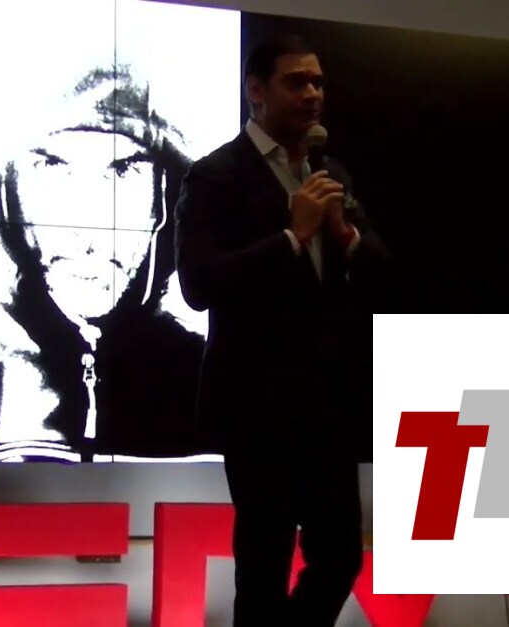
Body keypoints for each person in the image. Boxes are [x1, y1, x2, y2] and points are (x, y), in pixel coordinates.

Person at [174, 34, 392, 625]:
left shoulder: (330, 170)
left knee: (340, 557)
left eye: (318, 82)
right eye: (296, 82)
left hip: (329, 408)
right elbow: (198, 284)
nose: (312, 94)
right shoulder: (215, 175)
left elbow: (382, 269)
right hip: (256, 408)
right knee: (264, 570)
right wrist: (291, 238)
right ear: (256, 91)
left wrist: (345, 234)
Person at [0, 64, 211, 463]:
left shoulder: (209, 384)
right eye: (52, 167)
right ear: (7, 196)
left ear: (164, 198)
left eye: (123, 170)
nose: (86, 226)